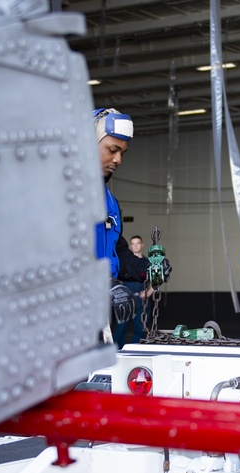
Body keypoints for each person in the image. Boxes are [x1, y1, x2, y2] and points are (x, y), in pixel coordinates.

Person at [93, 108, 169, 327]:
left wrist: (146, 269)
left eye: (122, 153)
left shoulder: (111, 204)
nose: (118, 160)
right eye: (112, 150)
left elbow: (117, 251)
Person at [113, 235, 152, 347]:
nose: (135, 246)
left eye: (137, 243)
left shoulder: (147, 263)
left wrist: (148, 293)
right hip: (125, 299)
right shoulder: (122, 264)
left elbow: (157, 278)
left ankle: (134, 351)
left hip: (141, 300)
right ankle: (116, 351)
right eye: (133, 243)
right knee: (120, 327)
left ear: (142, 245)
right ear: (130, 246)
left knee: (140, 328)